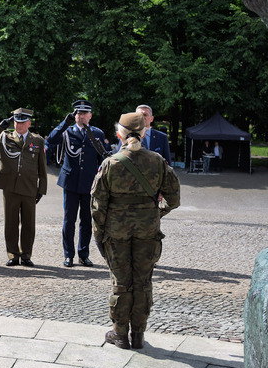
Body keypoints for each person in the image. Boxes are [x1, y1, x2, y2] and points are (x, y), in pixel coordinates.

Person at [91, 111, 180, 350]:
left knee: (121, 282)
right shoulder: (157, 161)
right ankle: (138, 334)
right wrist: (156, 212)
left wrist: (99, 234)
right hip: (147, 230)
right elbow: (174, 198)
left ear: (119, 134)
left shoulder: (110, 163)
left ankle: (120, 334)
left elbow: (97, 206)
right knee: (143, 282)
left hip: (117, 232)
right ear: (144, 132)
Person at [0, 108, 48, 267]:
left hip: (29, 187)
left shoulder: (37, 140)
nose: (19, 125)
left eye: (23, 122)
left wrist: (42, 189)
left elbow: (42, 167)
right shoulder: (5, 137)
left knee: (29, 224)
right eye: (17, 121)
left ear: (29, 123)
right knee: (10, 223)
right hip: (10, 186)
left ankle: (26, 255)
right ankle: (13, 255)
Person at [47, 99, 109, 268]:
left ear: (90, 115)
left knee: (87, 221)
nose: (81, 116)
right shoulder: (67, 131)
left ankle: (84, 254)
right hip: (71, 182)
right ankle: (68, 255)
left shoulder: (97, 133)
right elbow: (51, 141)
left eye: (84, 113)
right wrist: (63, 123)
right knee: (69, 220)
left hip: (89, 183)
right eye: (78, 113)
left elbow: (103, 158)